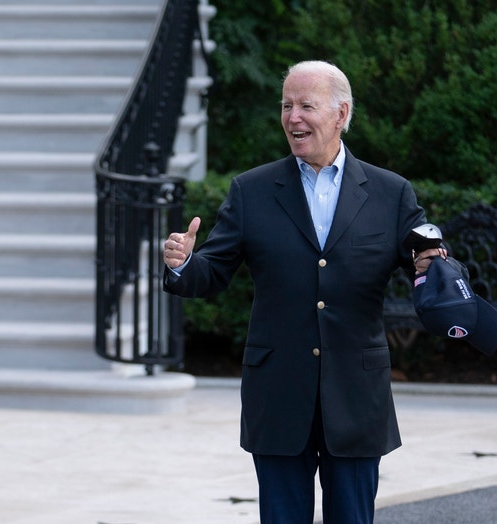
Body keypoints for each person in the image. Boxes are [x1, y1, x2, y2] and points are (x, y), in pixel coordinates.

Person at [163, 60, 446, 524]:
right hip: (277, 394)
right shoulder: (250, 191)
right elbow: (211, 272)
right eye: (286, 106)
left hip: (356, 398)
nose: (293, 117)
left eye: (306, 106)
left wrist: (431, 265)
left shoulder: (391, 193)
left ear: (341, 113)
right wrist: (183, 264)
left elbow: (426, 266)